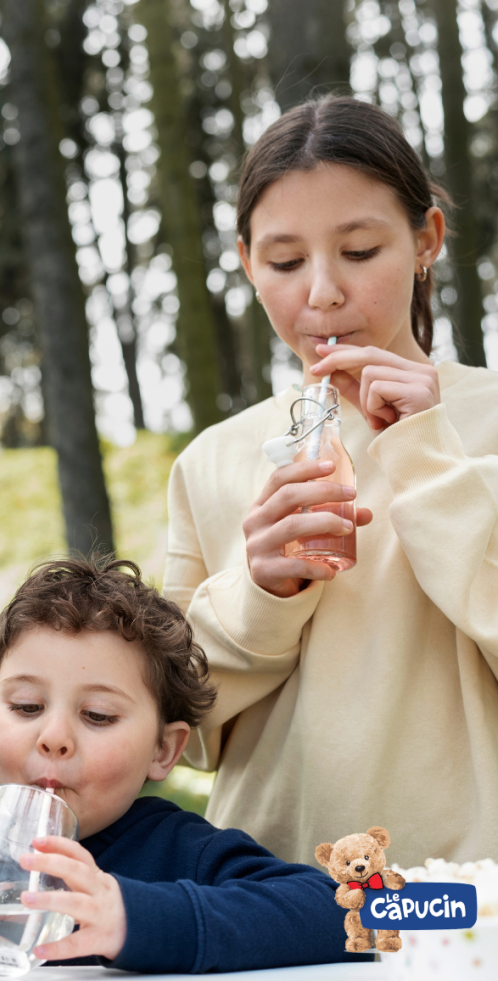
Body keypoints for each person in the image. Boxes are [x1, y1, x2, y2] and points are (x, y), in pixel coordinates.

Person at [165, 96, 498, 868]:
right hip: (271, 899)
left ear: (426, 241)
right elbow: (176, 725)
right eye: (285, 262)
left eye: (358, 251)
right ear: (248, 263)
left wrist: (424, 456)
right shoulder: (212, 461)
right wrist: (261, 594)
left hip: (461, 901)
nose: (321, 293)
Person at [0, 556, 357, 973]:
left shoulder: (184, 852)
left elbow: (346, 912)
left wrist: (137, 918)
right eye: (26, 707)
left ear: (164, 750)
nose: (54, 739)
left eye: (98, 715)